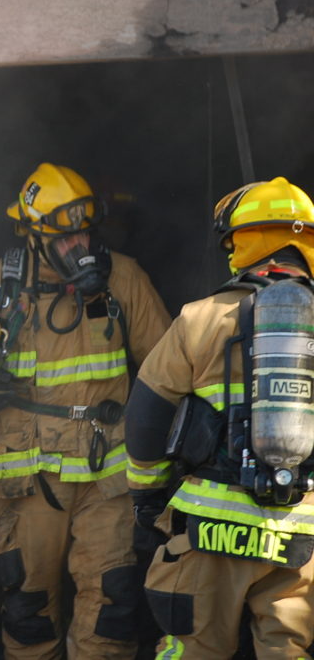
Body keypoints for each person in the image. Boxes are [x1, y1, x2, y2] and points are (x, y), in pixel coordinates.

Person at [0, 162, 171, 659]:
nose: (80, 246)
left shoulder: (123, 278)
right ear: (33, 235)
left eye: (85, 234)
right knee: (29, 613)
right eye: (65, 238)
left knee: (112, 608)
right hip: (24, 480)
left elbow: (168, 366)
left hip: (106, 476)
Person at [126, 176, 314, 657]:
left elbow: (147, 417)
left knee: (193, 650)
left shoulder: (200, 317)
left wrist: (147, 498)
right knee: (288, 650)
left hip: (210, 529)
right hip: (299, 532)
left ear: (245, 242)